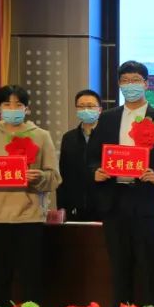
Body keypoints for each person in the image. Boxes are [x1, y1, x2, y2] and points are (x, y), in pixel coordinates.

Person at [87, 60, 154, 307]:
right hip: (114, 201)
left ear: (146, 84)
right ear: (119, 85)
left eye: (136, 80)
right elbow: (91, 157)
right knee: (119, 268)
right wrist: (96, 171)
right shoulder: (107, 119)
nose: (131, 85)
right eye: (125, 81)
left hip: (146, 200)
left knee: (150, 268)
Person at [0, 85, 60, 307]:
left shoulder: (41, 136)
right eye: (7, 104)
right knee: (0, 277)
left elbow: (55, 178)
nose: (12, 109)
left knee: (31, 278)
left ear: (27, 109)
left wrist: (39, 177)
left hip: (30, 218)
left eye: (18, 104)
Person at [56, 89, 102, 221]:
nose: (86, 109)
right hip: (75, 207)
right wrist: (62, 207)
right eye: (81, 106)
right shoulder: (68, 138)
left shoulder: (109, 135)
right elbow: (63, 174)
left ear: (100, 110)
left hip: (103, 206)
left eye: (90, 106)